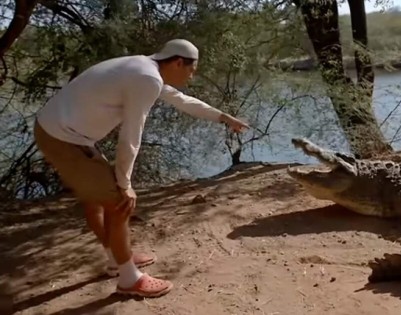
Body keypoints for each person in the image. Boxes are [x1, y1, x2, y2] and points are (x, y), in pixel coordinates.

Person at [33, 39, 249, 298]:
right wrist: (125, 184)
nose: (193, 74)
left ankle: (116, 258)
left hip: (59, 130)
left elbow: (182, 100)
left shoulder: (143, 68)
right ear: (178, 62)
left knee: (97, 200)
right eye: (192, 68)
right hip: (63, 137)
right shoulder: (146, 79)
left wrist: (224, 117)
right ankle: (128, 279)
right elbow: (130, 137)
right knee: (118, 202)